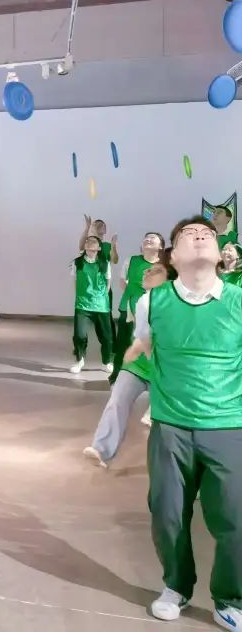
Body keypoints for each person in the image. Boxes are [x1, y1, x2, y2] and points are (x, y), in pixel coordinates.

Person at [125, 217, 242, 628]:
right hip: (170, 426)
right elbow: (144, 349)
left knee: (236, 518)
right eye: (188, 234)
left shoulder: (239, 301)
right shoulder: (151, 302)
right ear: (172, 257)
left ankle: (230, 597)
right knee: (167, 513)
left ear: (220, 253)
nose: (200, 236)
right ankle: (176, 586)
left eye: (207, 234)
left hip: (229, 425)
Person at [83, 260, 169, 468]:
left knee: (166, 420)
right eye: (147, 270)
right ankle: (101, 449)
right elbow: (142, 336)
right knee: (117, 401)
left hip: (163, 369)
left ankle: (170, 464)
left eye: (155, 271)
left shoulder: (175, 304)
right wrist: (137, 350)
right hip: (137, 366)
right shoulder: (143, 301)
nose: (147, 272)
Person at [115, 232, 165, 370]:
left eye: (152, 238)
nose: (148, 239)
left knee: (150, 344)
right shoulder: (131, 260)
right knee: (124, 343)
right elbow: (123, 281)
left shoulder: (164, 266)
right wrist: (131, 296)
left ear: (160, 246)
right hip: (129, 309)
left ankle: (148, 374)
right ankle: (117, 373)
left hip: (153, 311)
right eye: (146, 238)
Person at [70, 235, 113, 375]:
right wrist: (81, 296)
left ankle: (106, 362)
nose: (89, 243)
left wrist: (101, 298)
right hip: (83, 304)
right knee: (79, 335)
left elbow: (108, 283)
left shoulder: (104, 263)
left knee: (106, 336)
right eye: (87, 241)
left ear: (99, 248)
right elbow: (75, 282)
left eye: (93, 242)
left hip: (101, 305)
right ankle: (79, 360)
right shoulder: (77, 263)